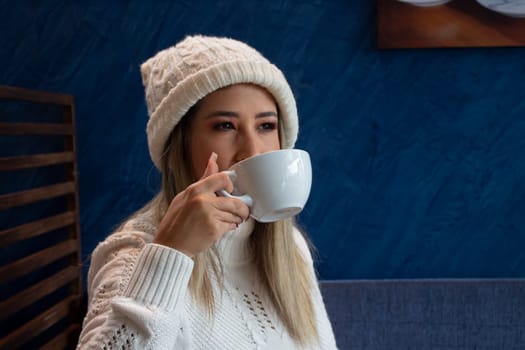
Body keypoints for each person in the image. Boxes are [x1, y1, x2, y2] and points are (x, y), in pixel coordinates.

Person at [77, 35, 338, 349]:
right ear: (180, 144)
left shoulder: (289, 247)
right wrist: (170, 255)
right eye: (225, 126)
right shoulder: (132, 256)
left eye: (266, 126)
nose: (252, 151)